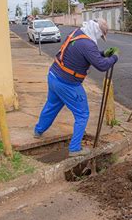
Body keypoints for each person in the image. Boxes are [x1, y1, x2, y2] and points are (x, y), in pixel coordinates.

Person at [34, 19, 119, 157]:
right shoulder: (88, 44)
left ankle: (38, 131)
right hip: (68, 84)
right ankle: (74, 149)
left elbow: (88, 54)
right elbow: (102, 66)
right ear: (97, 30)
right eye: (100, 35)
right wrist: (114, 58)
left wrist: (103, 54)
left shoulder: (78, 33)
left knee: (51, 105)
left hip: (54, 76)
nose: (99, 38)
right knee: (82, 114)